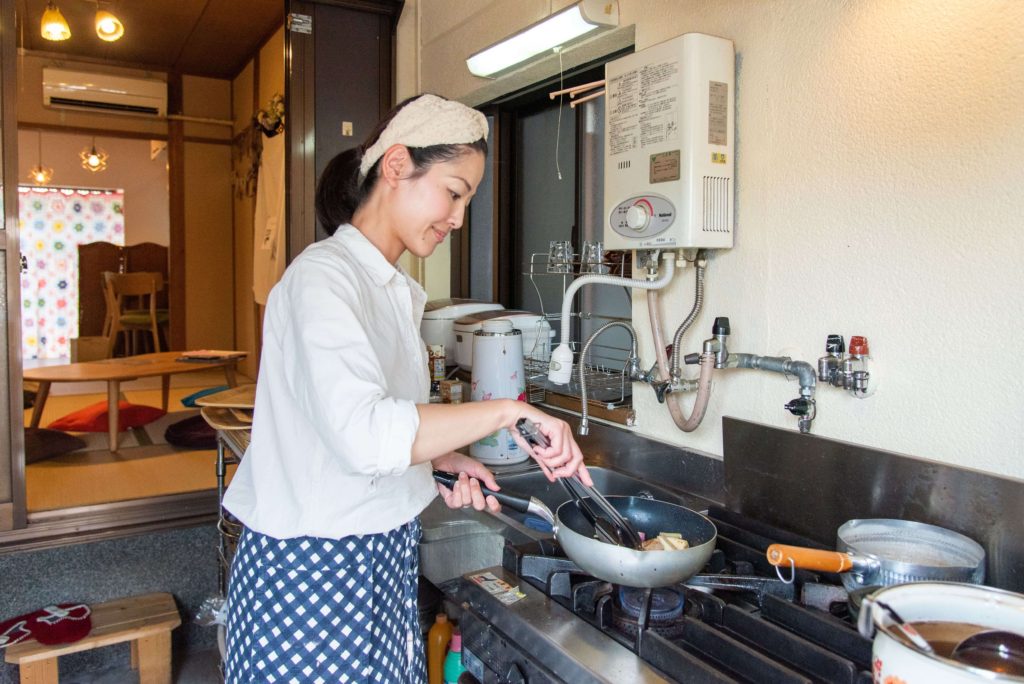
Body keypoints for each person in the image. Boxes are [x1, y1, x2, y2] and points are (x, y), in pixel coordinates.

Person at [222, 93, 591, 683]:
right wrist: (503, 413)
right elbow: (365, 435)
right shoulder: (322, 280)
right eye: (453, 191)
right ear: (396, 166)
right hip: (312, 577)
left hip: (378, 567)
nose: (458, 218)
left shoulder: (392, 292)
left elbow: (377, 425)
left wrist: (442, 461)